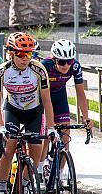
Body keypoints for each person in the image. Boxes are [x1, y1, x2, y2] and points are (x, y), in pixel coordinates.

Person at [0, 32, 57, 194]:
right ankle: (2, 187)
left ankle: (26, 181)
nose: (25, 58)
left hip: (33, 111)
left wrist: (51, 127)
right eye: (20, 54)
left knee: (36, 152)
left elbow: (47, 100)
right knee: (9, 145)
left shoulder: (38, 70)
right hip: (12, 110)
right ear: (11, 53)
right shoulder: (1, 72)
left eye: (28, 54)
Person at [39, 39, 91, 175]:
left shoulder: (75, 67)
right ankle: (40, 168)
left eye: (69, 61)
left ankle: (60, 174)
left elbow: (80, 93)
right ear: (54, 59)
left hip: (59, 96)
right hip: (43, 98)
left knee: (65, 137)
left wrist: (86, 118)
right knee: (46, 135)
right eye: (62, 62)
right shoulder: (45, 66)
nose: (66, 65)